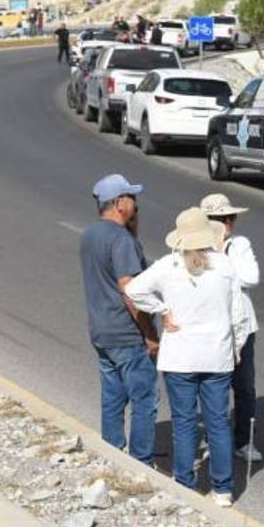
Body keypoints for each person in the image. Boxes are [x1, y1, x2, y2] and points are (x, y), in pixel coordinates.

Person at [125, 208, 248, 508]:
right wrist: (236, 349)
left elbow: (133, 290)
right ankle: (223, 489)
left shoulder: (169, 265)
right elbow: (239, 316)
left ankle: (184, 483)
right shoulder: (224, 266)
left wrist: (162, 310)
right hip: (217, 356)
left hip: (180, 357)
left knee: (184, 422)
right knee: (218, 422)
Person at [79, 174, 159, 466]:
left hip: (101, 330)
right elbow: (129, 291)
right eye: (131, 197)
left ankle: (112, 455)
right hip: (127, 333)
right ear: (118, 203)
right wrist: (149, 334)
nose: (136, 204)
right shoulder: (121, 239)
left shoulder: (89, 235)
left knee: (112, 396)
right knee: (144, 399)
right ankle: (140, 462)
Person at [200, 194, 261, 461]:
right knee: (214, 385)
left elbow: (251, 277)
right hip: (211, 325)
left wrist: (220, 264)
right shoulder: (194, 247)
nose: (226, 224)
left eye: (228, 219)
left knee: (244, 385)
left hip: (242, 326)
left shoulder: (239, 245)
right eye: (219, 219)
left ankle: (244, 441)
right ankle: (215, 439)